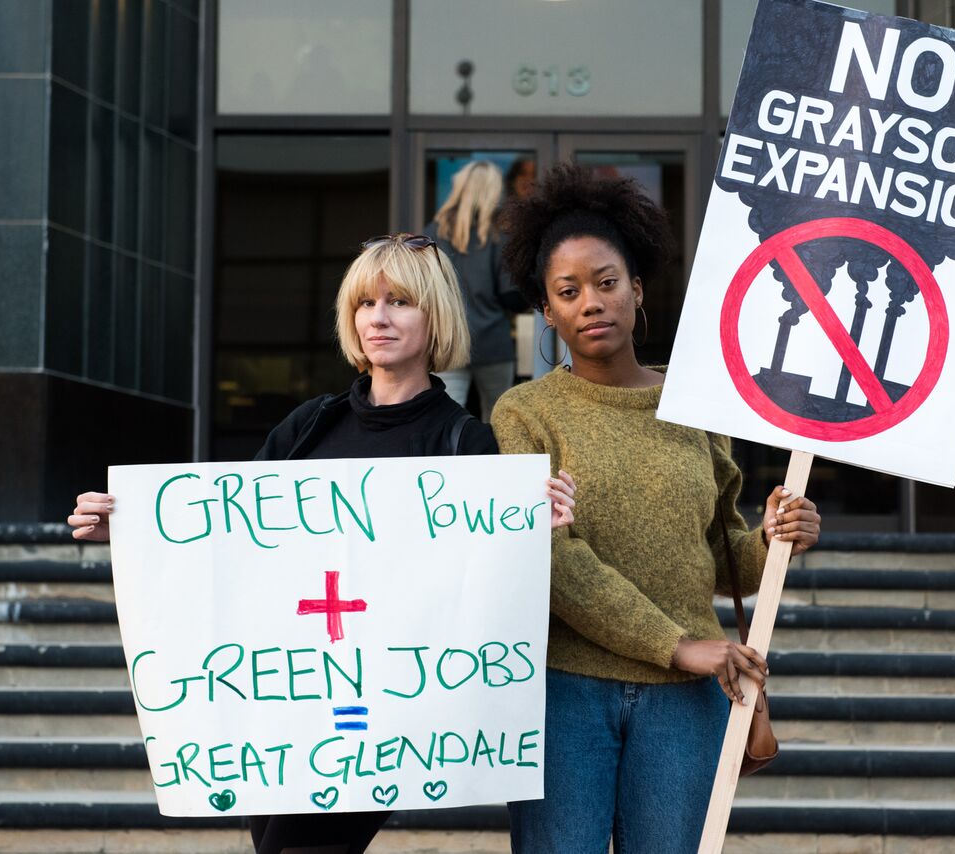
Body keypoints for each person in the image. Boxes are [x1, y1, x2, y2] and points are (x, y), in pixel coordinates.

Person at [68, 233, 576, 854]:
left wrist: (533, 528)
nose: (378, 318)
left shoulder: (463, 444)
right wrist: (130, 528)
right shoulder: (309, 425)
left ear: (435, 315)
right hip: (285, 707)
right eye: (366, 303)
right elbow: (228, 540)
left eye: (400, 302)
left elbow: (484, 590)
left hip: (386, 718)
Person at [490, 164, 822, 854]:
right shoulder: (523, 414)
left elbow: (726, 554)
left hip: (686, 702)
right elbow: (555, 559)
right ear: (547, 313)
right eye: (568, 291)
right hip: (564, 691)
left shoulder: (698, 403)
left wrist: (778, 536)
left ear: (637, 291)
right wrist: (677, 646)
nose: (591, 302)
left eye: (607, 282)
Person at [424, 160, 527, 421]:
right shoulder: (500, 235)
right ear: (493, 191)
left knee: (443, 418)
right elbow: (511, 295)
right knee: (498, 421)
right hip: (493, 342)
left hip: (448, 340)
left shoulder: (432, 233)